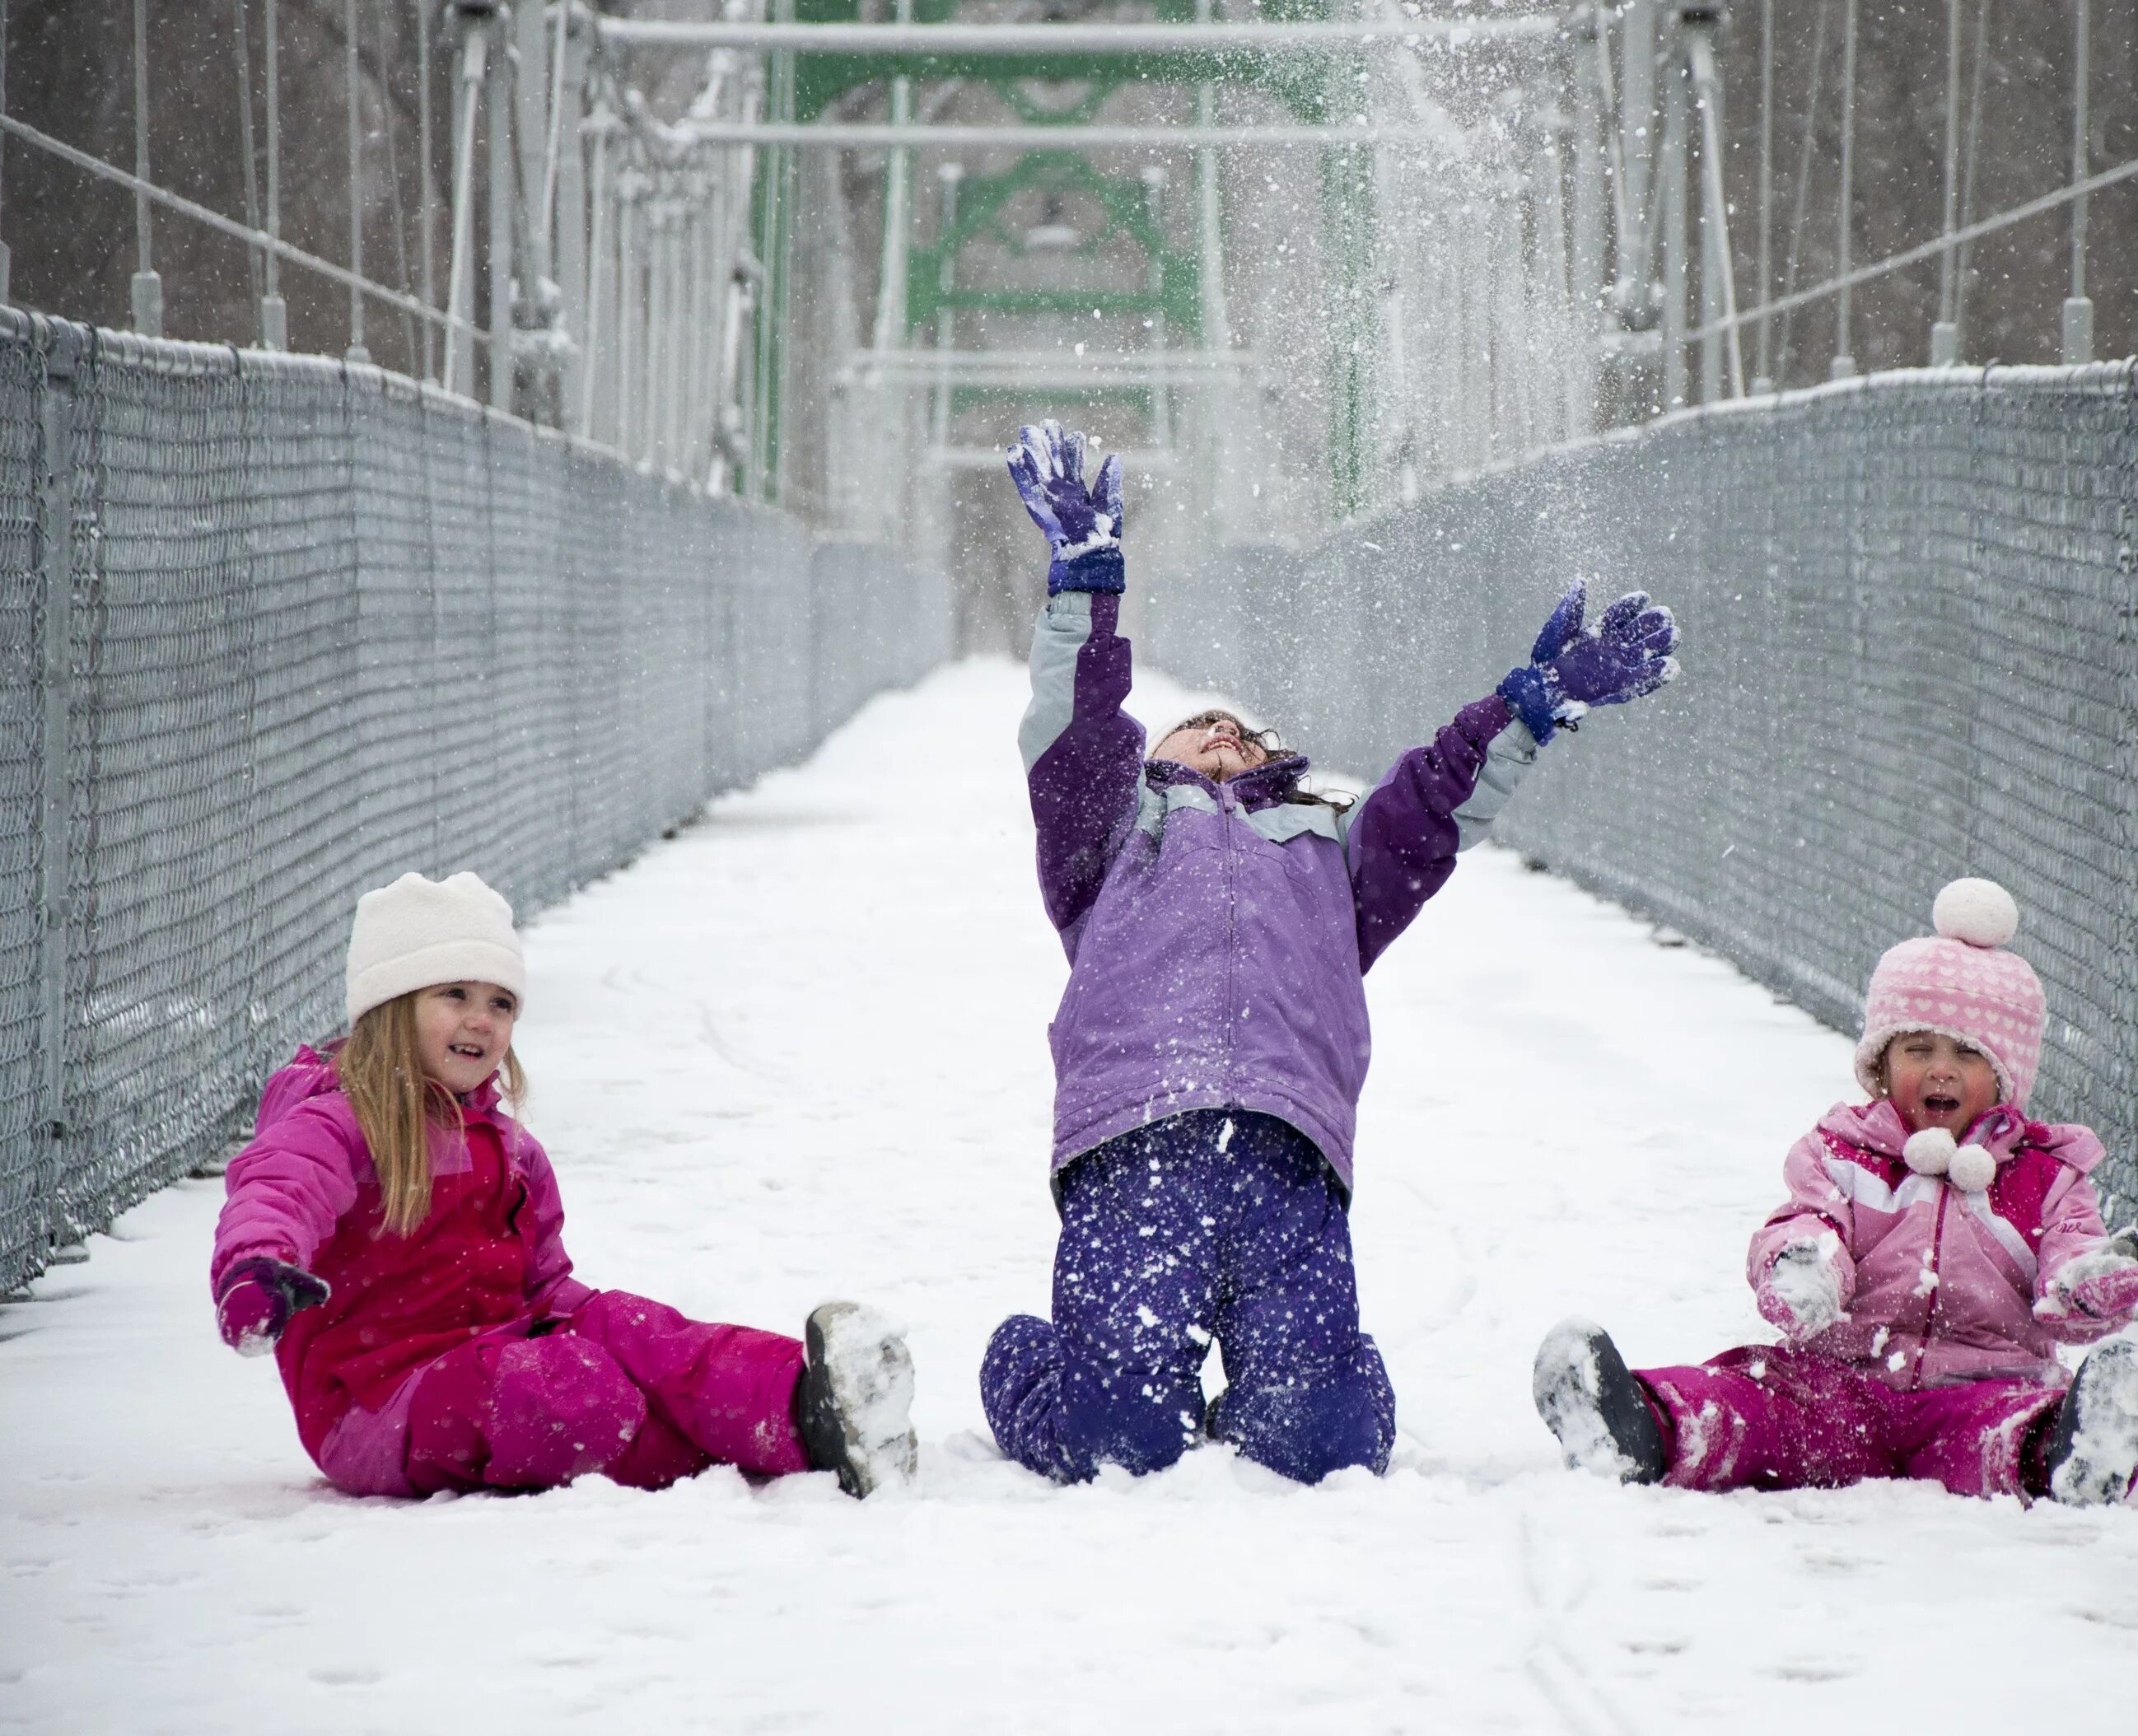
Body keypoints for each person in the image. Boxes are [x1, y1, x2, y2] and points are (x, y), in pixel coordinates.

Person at [979, 421, 1678, 1485]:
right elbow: (1075, 728)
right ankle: (1031, 1365)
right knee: (1117, 1441)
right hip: (1137, 1148)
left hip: (1287, 1155)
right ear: (1149, 762)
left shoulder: (1330, 857)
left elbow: (1435, 804)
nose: (1226, 739)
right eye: (1198, 730)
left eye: (1249, 738)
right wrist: (1086, 583)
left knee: (1322, 1447)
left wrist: (1525, 714)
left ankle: (1322, 1384)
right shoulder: (1107, 841)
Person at [208, 870, 917, 1499]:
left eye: (501, 1003)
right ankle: (737, 1450)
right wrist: (256, 1272)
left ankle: (806, 1405)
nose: (482, 1021)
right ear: (391, 1006)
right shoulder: (337, 1122)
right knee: (566, 1386)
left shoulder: (512, 1150)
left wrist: (617, 1334)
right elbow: (277, 1189)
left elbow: (542, 1286)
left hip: (496, 1350)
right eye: (455, 994)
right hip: (379, 1403)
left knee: (636, 1332)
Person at [1533, 878, 2138, 1506]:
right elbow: (1808, 1220)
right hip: (1839, 1383)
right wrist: (1803, 1266)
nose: (1940, 1069)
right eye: (1919, 1049)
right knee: (1756, 1403)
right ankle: (1640, 1427)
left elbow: (2069, 1252)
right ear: (1883, 1066)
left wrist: (2086, 1284)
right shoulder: (1844, 1153)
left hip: (1981, 1385)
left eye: (1968, 1054)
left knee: (1998, 1436)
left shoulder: (2045, 1176)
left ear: (2005, 1079)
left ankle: (2071, 1453)